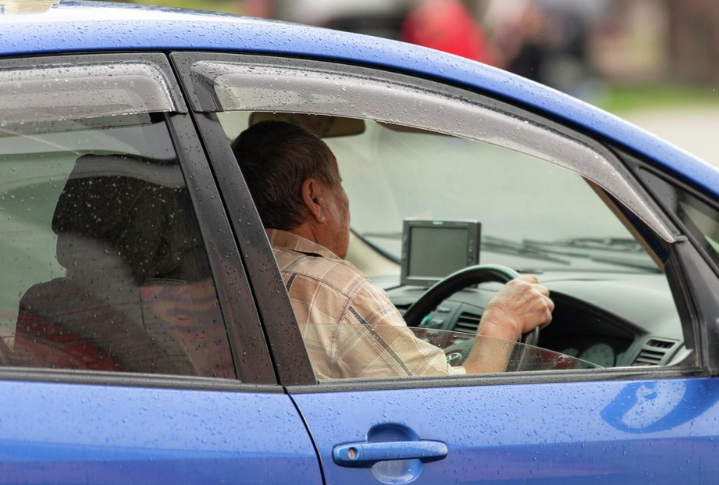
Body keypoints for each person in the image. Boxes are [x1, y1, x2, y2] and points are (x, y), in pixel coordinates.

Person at [233, 120, 552, 380]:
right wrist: (502, 320)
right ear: (314, 198)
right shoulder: (336, 290)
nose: (345, 199)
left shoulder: (227, 274)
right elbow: (447, 402)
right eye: (339, 184)